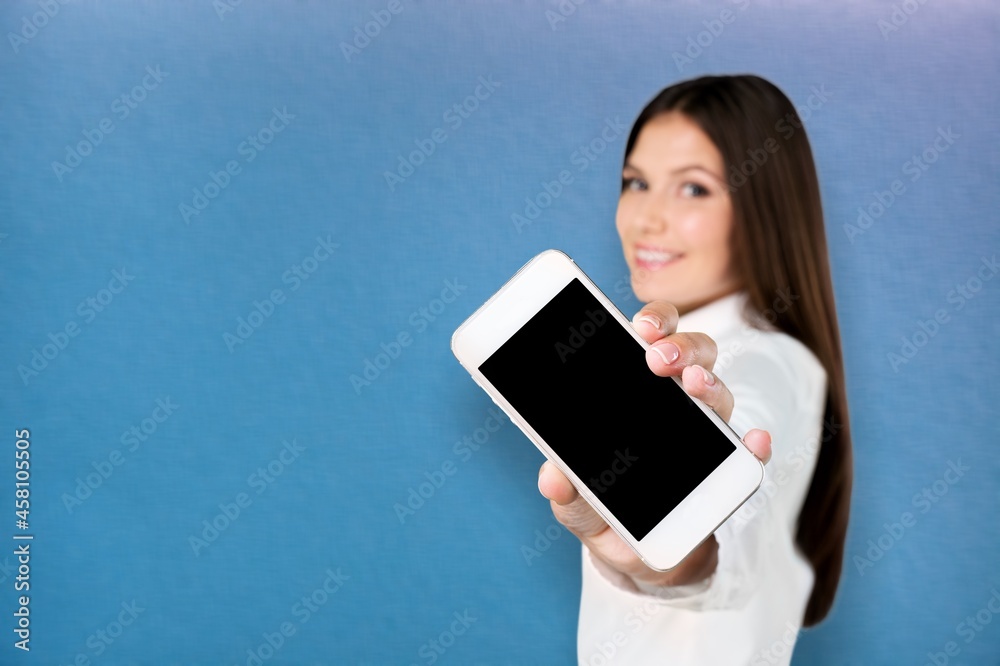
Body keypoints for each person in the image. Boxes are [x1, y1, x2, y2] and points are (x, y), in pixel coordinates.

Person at [537, 75, 853, 665]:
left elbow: (733, 536)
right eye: (636, 182)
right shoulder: (667, 352)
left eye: (694, 190)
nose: (646, 219)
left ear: (767, 208)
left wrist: (675, 554)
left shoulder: (767, 362)